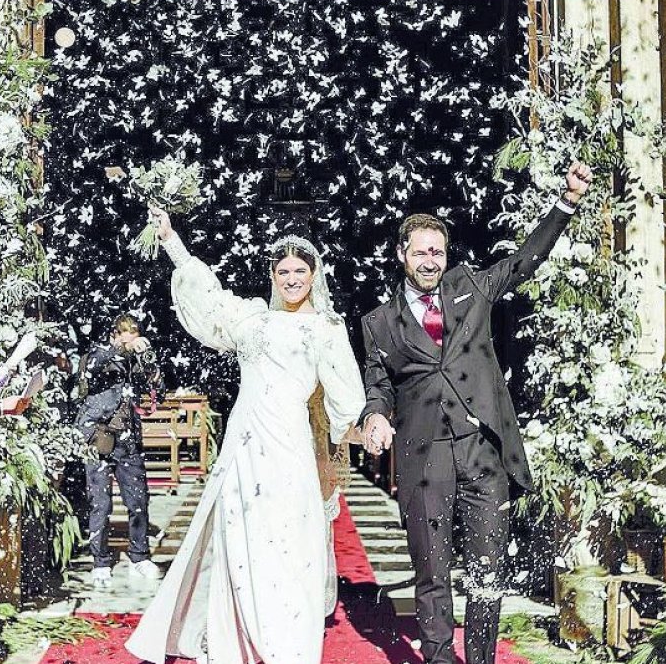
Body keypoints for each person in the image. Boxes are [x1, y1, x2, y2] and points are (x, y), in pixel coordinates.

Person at [358, 162, 591, 664]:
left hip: (483, 454)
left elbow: (523, 261)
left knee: (487, 574)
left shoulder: (471, 287)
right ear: (401, 254)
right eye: (420, 252)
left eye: (437, 252)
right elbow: (378, 386)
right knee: (432, 573)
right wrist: (375, 416)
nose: (429, 261)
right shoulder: (378, 323)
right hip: (424, 459)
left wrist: (566, 203)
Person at [125, 211, 366, 664]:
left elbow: (347, 398)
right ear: (273, 276)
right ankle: (235, 642)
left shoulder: (326, 329)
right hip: (244, 447)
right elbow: (209, 300)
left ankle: (286, 648)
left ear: (313, 275)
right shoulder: (253, 318)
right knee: (240, 540)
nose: (292, 279)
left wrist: (360, 430)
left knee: (289, 544)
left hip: (290, 448)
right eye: (283, 271)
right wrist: (172, 240)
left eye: (300, 271)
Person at [75, 314, 161, 584]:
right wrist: (121, 350)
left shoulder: (137, 360)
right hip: (97, 437)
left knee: (138, 501)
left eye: (134, 333)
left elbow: (157, 389)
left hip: (128, 439)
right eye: (124, 333)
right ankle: (100, 562)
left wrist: (149, 363)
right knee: (100, 504)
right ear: (114, 334)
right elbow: (91, 369)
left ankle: (140, 556)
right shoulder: (98, 353)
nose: (130, 339)